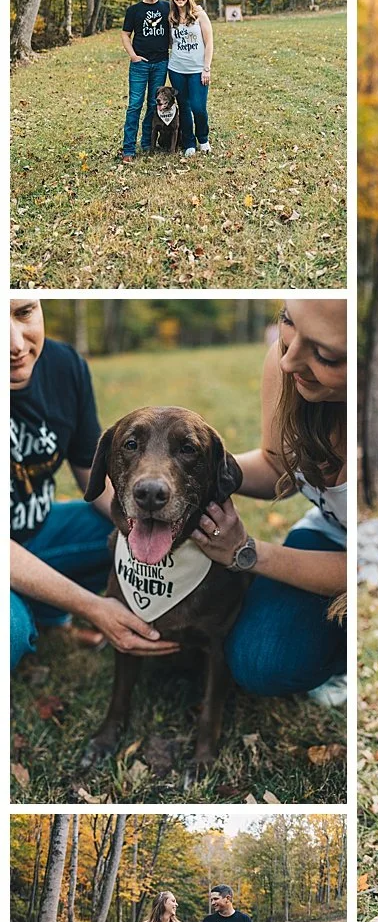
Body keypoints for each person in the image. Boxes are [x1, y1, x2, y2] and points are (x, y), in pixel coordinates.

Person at [10, 298, 181, 670]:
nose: (16, 345)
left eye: (23, 313)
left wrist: (153, 523)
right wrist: (92, 607)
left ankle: (43, 611)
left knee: (124, 529)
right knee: (11, 633)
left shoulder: (64, 366)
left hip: (34, 531)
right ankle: (31, 612)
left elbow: (93, 479)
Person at [190, 300, 347, 704]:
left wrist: (247, 553)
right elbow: (277, 464)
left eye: (325, 355)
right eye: (288, 322)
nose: (289, 360)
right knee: (259, 659)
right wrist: (207, 472)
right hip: (332, 533)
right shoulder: (285, 362)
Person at [120, 0, 172, 164]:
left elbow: (185, 14)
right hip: (140, 64)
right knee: (135, 104)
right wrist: (133, 56)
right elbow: (125, 34)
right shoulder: (134, 10)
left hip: (160, 63)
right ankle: (128, 149)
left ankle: (147, 143)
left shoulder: (167, 7)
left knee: (154, 104)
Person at [167, 0, 215, 158]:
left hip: (197, 70)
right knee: (184, 106)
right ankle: (189, 142)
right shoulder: (170, 17)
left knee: (198, 107)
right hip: (176, 69)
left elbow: (209, 42)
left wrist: (206, 68)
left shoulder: (199, 15)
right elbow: (170, 43)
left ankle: (203, 139)